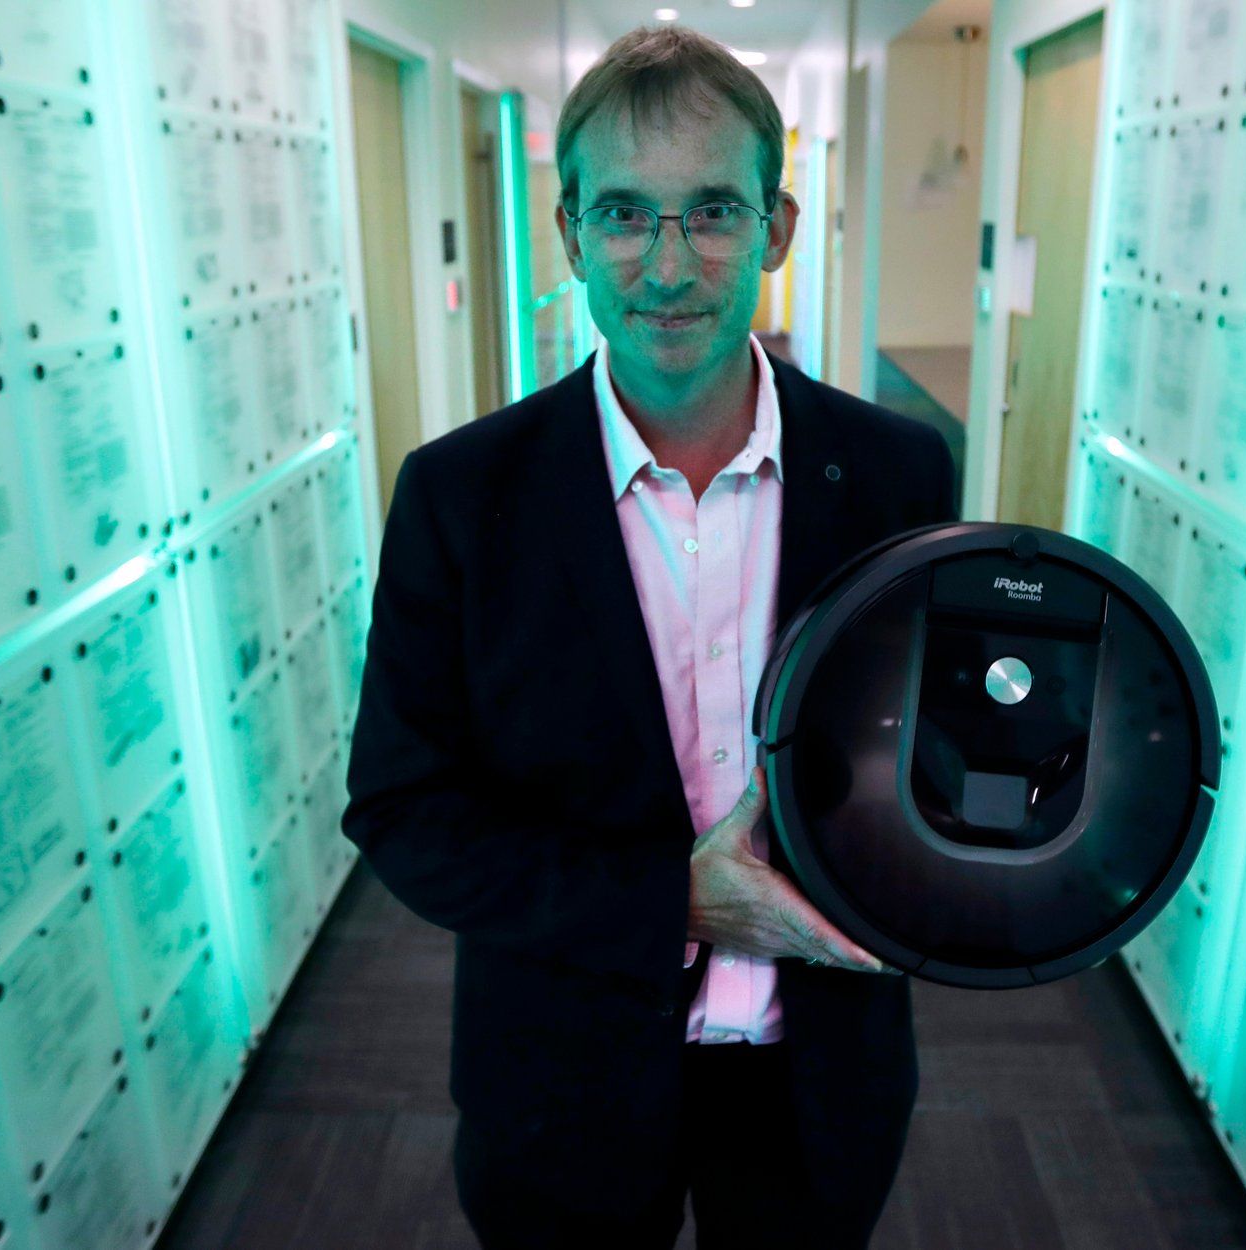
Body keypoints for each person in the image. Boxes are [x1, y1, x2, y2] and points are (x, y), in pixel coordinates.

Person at [341, 24, 958, 1249]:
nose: (666, 267)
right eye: (623, 216)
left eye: (712, 213)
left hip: (814, 1074)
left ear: (774, 230)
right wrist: (672, 902)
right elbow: (404, 810)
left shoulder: (895, 470)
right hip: (561, 1074)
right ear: (570, 233)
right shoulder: (462, 496)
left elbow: (919, 756)